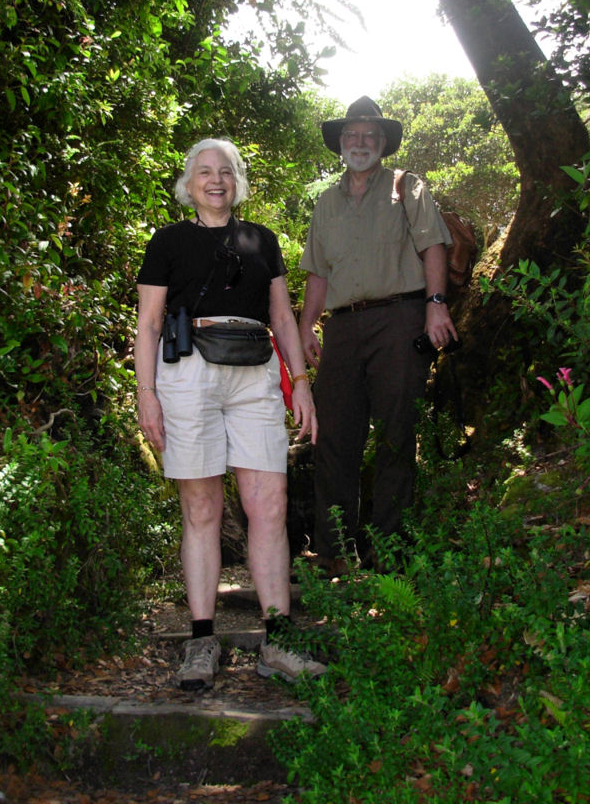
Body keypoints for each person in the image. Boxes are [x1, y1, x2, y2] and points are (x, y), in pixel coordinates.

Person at [135, 137, 324, 689]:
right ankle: (201, 641)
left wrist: (301, 384)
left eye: (225, 171)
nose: (215, 180)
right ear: (188, 184)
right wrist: (146, 394)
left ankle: (279, 643)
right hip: (188, 373)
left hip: (256, 372)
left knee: (269, 504)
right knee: (201, 509)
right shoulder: (168, 241)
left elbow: (282, 317)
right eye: (204, 171)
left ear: (237, 181)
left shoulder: (261, 239)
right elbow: (149, 323)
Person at [299, 96, 458, 573]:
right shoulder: (327, 202)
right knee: (333, 436)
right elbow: (317, 272)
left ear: (383, 142)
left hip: (400, 320)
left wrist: (435, 305)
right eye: (352, 134)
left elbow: (433, 247)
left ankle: (388, 554)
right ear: (340, 143)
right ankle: (334, 553)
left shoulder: (407, 186)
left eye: (370, 135)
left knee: (395, 433)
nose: (360, 142)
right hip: (343, 327)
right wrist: (306, 324)